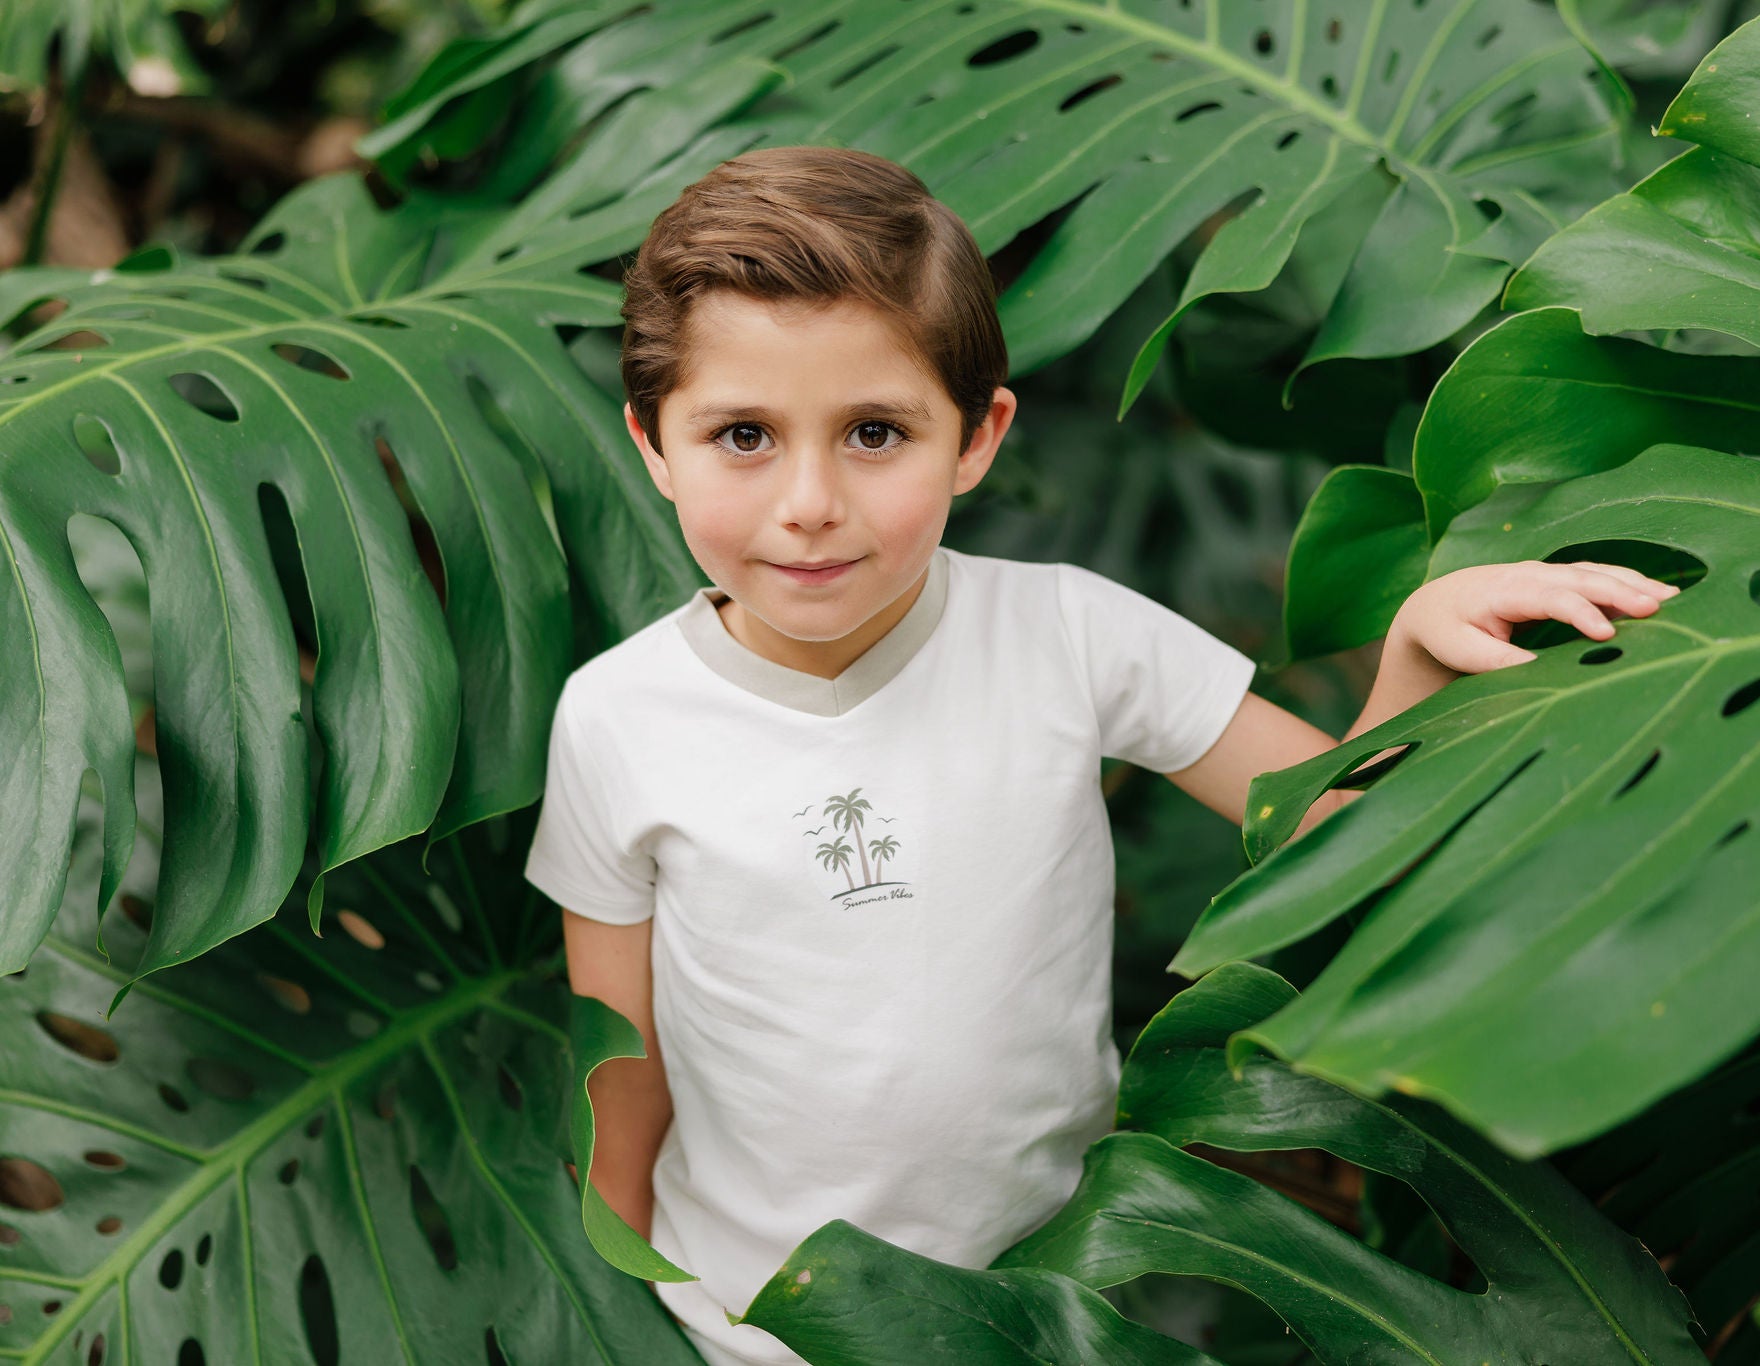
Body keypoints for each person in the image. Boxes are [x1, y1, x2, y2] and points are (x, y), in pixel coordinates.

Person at [522, 144, 1675, 1366]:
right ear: (654, 443)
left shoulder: (1070, 635)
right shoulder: (617, 716)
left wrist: (1411, 660)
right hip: (746, 1326)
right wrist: (620, 1306)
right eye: (743, 434)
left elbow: (1331, 830)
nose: (808, 501)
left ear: (975, 436)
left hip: (1059, 1308)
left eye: (873, 431)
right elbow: (621, 1063)